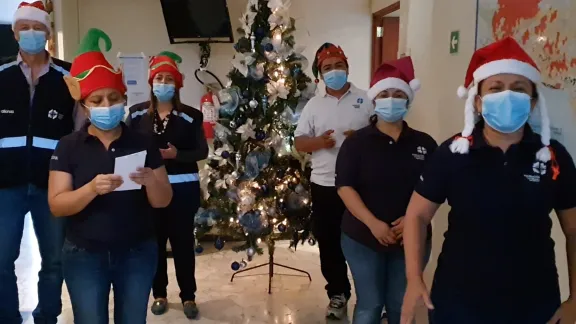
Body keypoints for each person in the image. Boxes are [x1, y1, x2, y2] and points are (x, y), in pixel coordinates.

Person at [401, 37, 576, 324]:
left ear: (532, 102)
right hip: (458, 303)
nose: (507, 95)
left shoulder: (554, 157)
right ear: (479, 101)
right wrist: (413, 278)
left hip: (535, 305)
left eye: (518, 89)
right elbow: (417, 215)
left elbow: (573, 229)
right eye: (496, 88)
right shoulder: (453, 152)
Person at [47, 28, 173, 324]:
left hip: (137, 252)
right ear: (85, 106)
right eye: (98, 100)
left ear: (123, 98)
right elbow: (57, 204)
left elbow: (163, 200)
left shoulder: (142, 142)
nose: (107, 106)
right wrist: (91, 189)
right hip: (84, 255)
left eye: (113, 98)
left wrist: (150, 181)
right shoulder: (68, 146)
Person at [336, 57, 436, 324]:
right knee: (370, 304)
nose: (391, 100)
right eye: (384, 94)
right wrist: (373, 224)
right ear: (374, 100)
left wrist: (414, 220)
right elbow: (345, 187)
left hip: (412, 239)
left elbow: (436, 190)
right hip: (362, 238)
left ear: (408, 100)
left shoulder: (425, 144)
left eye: (398, 94)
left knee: (400, 304)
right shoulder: (356, 143)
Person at [0, 2, 76, 323]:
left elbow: (81, 129)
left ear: (47, 33)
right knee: (2, 259)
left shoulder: (69, 75)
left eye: (37, 28)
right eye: (24, 29)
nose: (31, 34)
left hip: (53, 184)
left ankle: (48, 316)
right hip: (6, 184)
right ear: (15, 34)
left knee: (55, 260)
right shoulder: (0, 76)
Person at [294, 43, 374, 319]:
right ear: (320, 74)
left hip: (361, 185)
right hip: (325, 185)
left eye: (338, 65)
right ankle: (337, 294)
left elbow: (384, 134)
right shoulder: (314, 106)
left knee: (366, 241)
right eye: (327, 68)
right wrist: (319, 142)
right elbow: (299, 142)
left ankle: (372, 296)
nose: (334, 71)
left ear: (347, 67)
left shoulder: (366, 99)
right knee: (329, 243)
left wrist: (361, 139)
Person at [127, 51, 208, 319]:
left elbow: (201, 152)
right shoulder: (136, 114)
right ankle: (159, 293)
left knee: (183, 245)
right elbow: (127, 148)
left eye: (168, 79)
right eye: (159, 78)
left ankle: (188, 296)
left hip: (183, 190)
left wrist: (177, 156)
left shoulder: (191, 116)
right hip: (149, 192)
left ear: (177, 84)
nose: (163, 83)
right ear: (151, 83)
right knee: (155, 244)